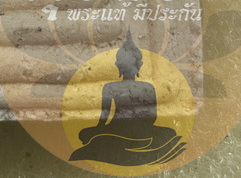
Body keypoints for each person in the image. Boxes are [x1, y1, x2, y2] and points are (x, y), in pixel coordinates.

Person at [69, 30, 187, 167]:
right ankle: (141, 147)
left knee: (85, 134)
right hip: (136, 130)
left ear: (118, 65)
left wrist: (98, 130)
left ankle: (112, 146)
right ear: (139, 65)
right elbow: (152, 116)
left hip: (116, 130)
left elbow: (103, 118)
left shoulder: (112, 87)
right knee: (170, 132)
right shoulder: (145, 87)